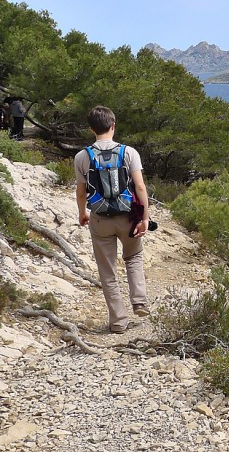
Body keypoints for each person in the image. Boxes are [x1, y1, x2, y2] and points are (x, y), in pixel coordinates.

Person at [74, 106, 152, 333]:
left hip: (100, 219)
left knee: (107, 270)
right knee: (134, 256)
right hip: (128, 217)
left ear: (91, 129)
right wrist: (144, 217)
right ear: (113, 125)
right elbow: (139, 186)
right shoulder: (129, 153)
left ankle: (118, 322)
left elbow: (81, 192)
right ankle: (139, 302)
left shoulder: (82, 156)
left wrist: (83, 213)